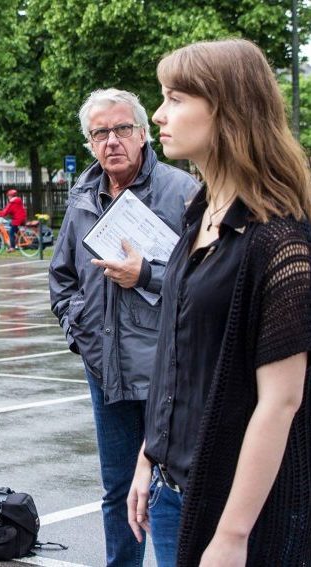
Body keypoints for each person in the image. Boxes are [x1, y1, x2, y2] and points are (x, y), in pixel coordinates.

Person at [127, 39, 311, 567]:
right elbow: (179, 357)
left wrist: (232, 535)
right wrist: (148, 456)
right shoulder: (200, 213)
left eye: (175, 98)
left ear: (228, 109)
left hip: (234, 507)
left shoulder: (278, 240)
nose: (158, 114)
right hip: (170, 490)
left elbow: (281, 402)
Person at [48, 89, 198, 566]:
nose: (111, 141)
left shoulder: (182, 192)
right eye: (100, 133)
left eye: (121, 129)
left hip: (165, 371)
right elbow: (62, 276)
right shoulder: (83, 195)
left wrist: (146, 275)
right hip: (105, 368)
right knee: (117, 490)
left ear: (143, 133)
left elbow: (203, 281)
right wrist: (78, 329)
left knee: (172, 488)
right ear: (90, 142)